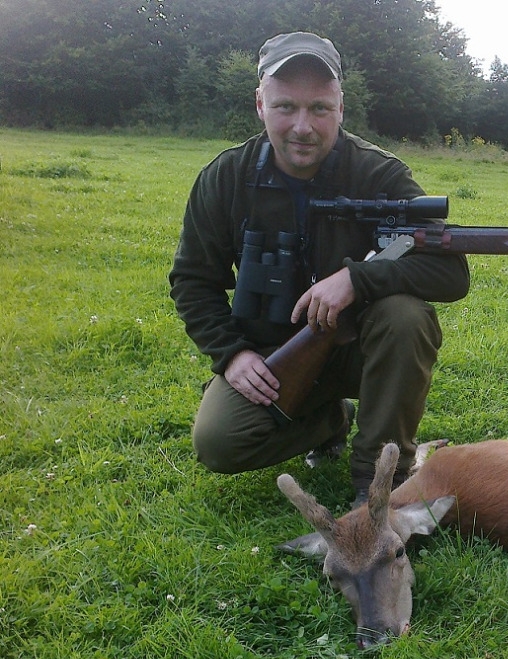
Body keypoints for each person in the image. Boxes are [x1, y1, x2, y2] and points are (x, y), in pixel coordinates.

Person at [169, 31, 470, 502]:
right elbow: (193, 280)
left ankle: (378, 486)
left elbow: (451, 273)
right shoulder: (225, 177)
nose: (303, 126)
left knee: (406, 317)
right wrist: (231, 354)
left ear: (341, 108)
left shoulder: (380, 174)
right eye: (286, 106)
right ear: (260, 104)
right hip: (274, 357)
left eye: (320, 109)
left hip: (361, 352)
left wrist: (356, 278)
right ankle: (330, 420)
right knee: (219, 443)